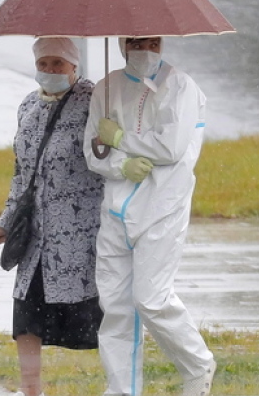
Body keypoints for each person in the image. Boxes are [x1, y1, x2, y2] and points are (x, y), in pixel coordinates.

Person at [84, 36, 216, 396]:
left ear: (162, 43)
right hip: (116, 209)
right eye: (137, 41)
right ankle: (121, 390)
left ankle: (197, 364)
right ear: (123, 43)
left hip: (163, 206)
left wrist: (122, 138)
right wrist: (118, 164)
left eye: (152, 41)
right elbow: (91, 150)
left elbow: (170, 147)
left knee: (151, 299)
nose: (144, 48)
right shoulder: (105, 89)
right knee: (115, 308)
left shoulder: (182, 87)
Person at [0, 37, 105, 396]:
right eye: (44, 64)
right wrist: (6, 221)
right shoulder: (28, 105)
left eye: (59, 64)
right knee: (27, 313)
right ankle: (31, 390)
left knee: (98, 316)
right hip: (36, 233)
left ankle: (121, 384)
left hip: (80, 233)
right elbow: (22, 172)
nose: (51, 71)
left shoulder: (95, 101)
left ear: (75, 65)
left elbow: (108, 158)